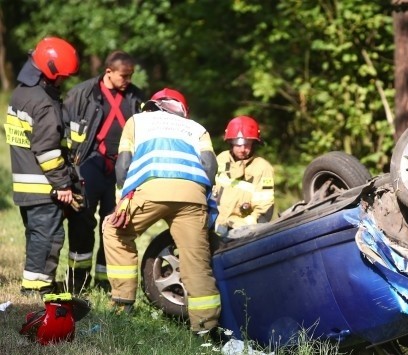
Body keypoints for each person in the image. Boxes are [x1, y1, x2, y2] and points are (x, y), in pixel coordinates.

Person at [102, 88, 222, 337]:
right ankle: (206, 328)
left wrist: (122, 201)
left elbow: (123, 164)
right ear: (181, 109)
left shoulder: (137, 121)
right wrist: (203, 200)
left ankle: (122, 303)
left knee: (114, 231)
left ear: (153, 105)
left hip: (151, 187)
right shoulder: (197, 129)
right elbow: (210, 166)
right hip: (192, 194)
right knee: (196, 262)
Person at [64, 50, 144, 293]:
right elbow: (64, 127)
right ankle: (78, 282)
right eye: (124, 75)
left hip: (121, 170)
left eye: (131, 75)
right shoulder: (83, 93)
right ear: (109, 72)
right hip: (89, 165)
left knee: (114, 226)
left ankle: (104, 281)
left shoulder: (135, 96)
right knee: (82, 223)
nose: (128, 80)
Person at [5, 37, 80, 295]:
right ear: (48, 71)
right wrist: (62, 184)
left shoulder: (20, 93)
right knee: (48, 239)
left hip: (24, 185)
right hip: (44, 186)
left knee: (36, 237)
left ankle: (33, 286)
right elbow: (47, 150)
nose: (62, 81)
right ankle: (36, 290)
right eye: (60, 76)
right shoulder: (45, 103)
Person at [213, 115, 275, 234]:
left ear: (254, 143)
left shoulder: (262, 168)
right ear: (230, 142)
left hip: (240, 232)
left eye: (247, 143)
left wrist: (245, 229)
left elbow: (264, 209)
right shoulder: (221, 159)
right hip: (214, 227)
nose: (242, 149)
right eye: (238, 143)